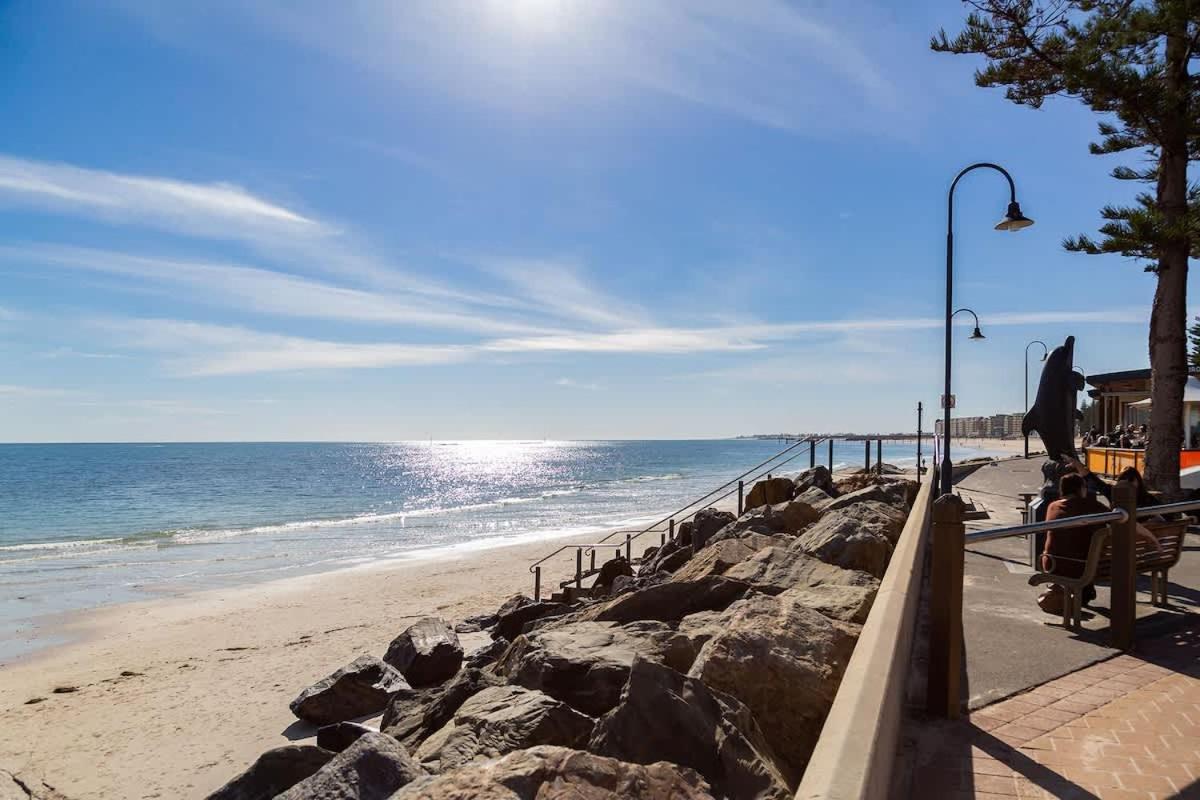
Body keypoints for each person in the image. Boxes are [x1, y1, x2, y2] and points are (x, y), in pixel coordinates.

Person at [1038, 472, 1160, 614]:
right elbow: (1125, 521)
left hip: (1052, 564)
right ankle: (1086, 594)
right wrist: (1153, 539)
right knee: (1094, 553)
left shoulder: (1052, 506)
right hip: (1083, 568)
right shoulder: (1090, 505)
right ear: (1081, 489)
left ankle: (1082, 594)